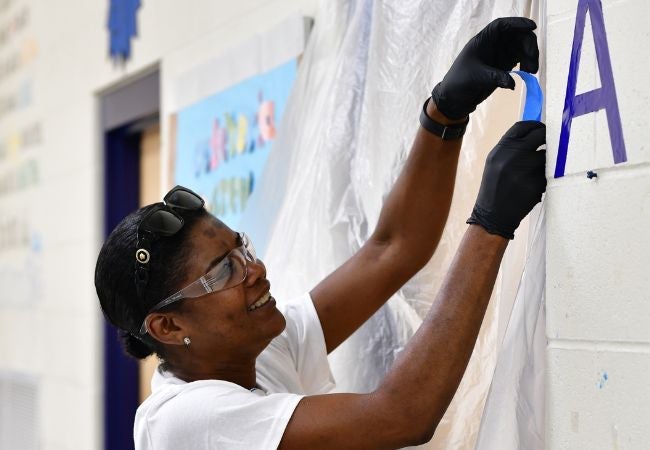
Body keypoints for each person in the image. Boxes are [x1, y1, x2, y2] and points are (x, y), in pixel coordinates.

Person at [95, 17, 545, 449]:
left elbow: (392, 250)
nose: (255, 270)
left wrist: (443, 114)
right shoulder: (186, 420)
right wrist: (490, 225)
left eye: (242, 249)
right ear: (168, 326)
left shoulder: (255, 352)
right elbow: (402, 416)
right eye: (225, 270)